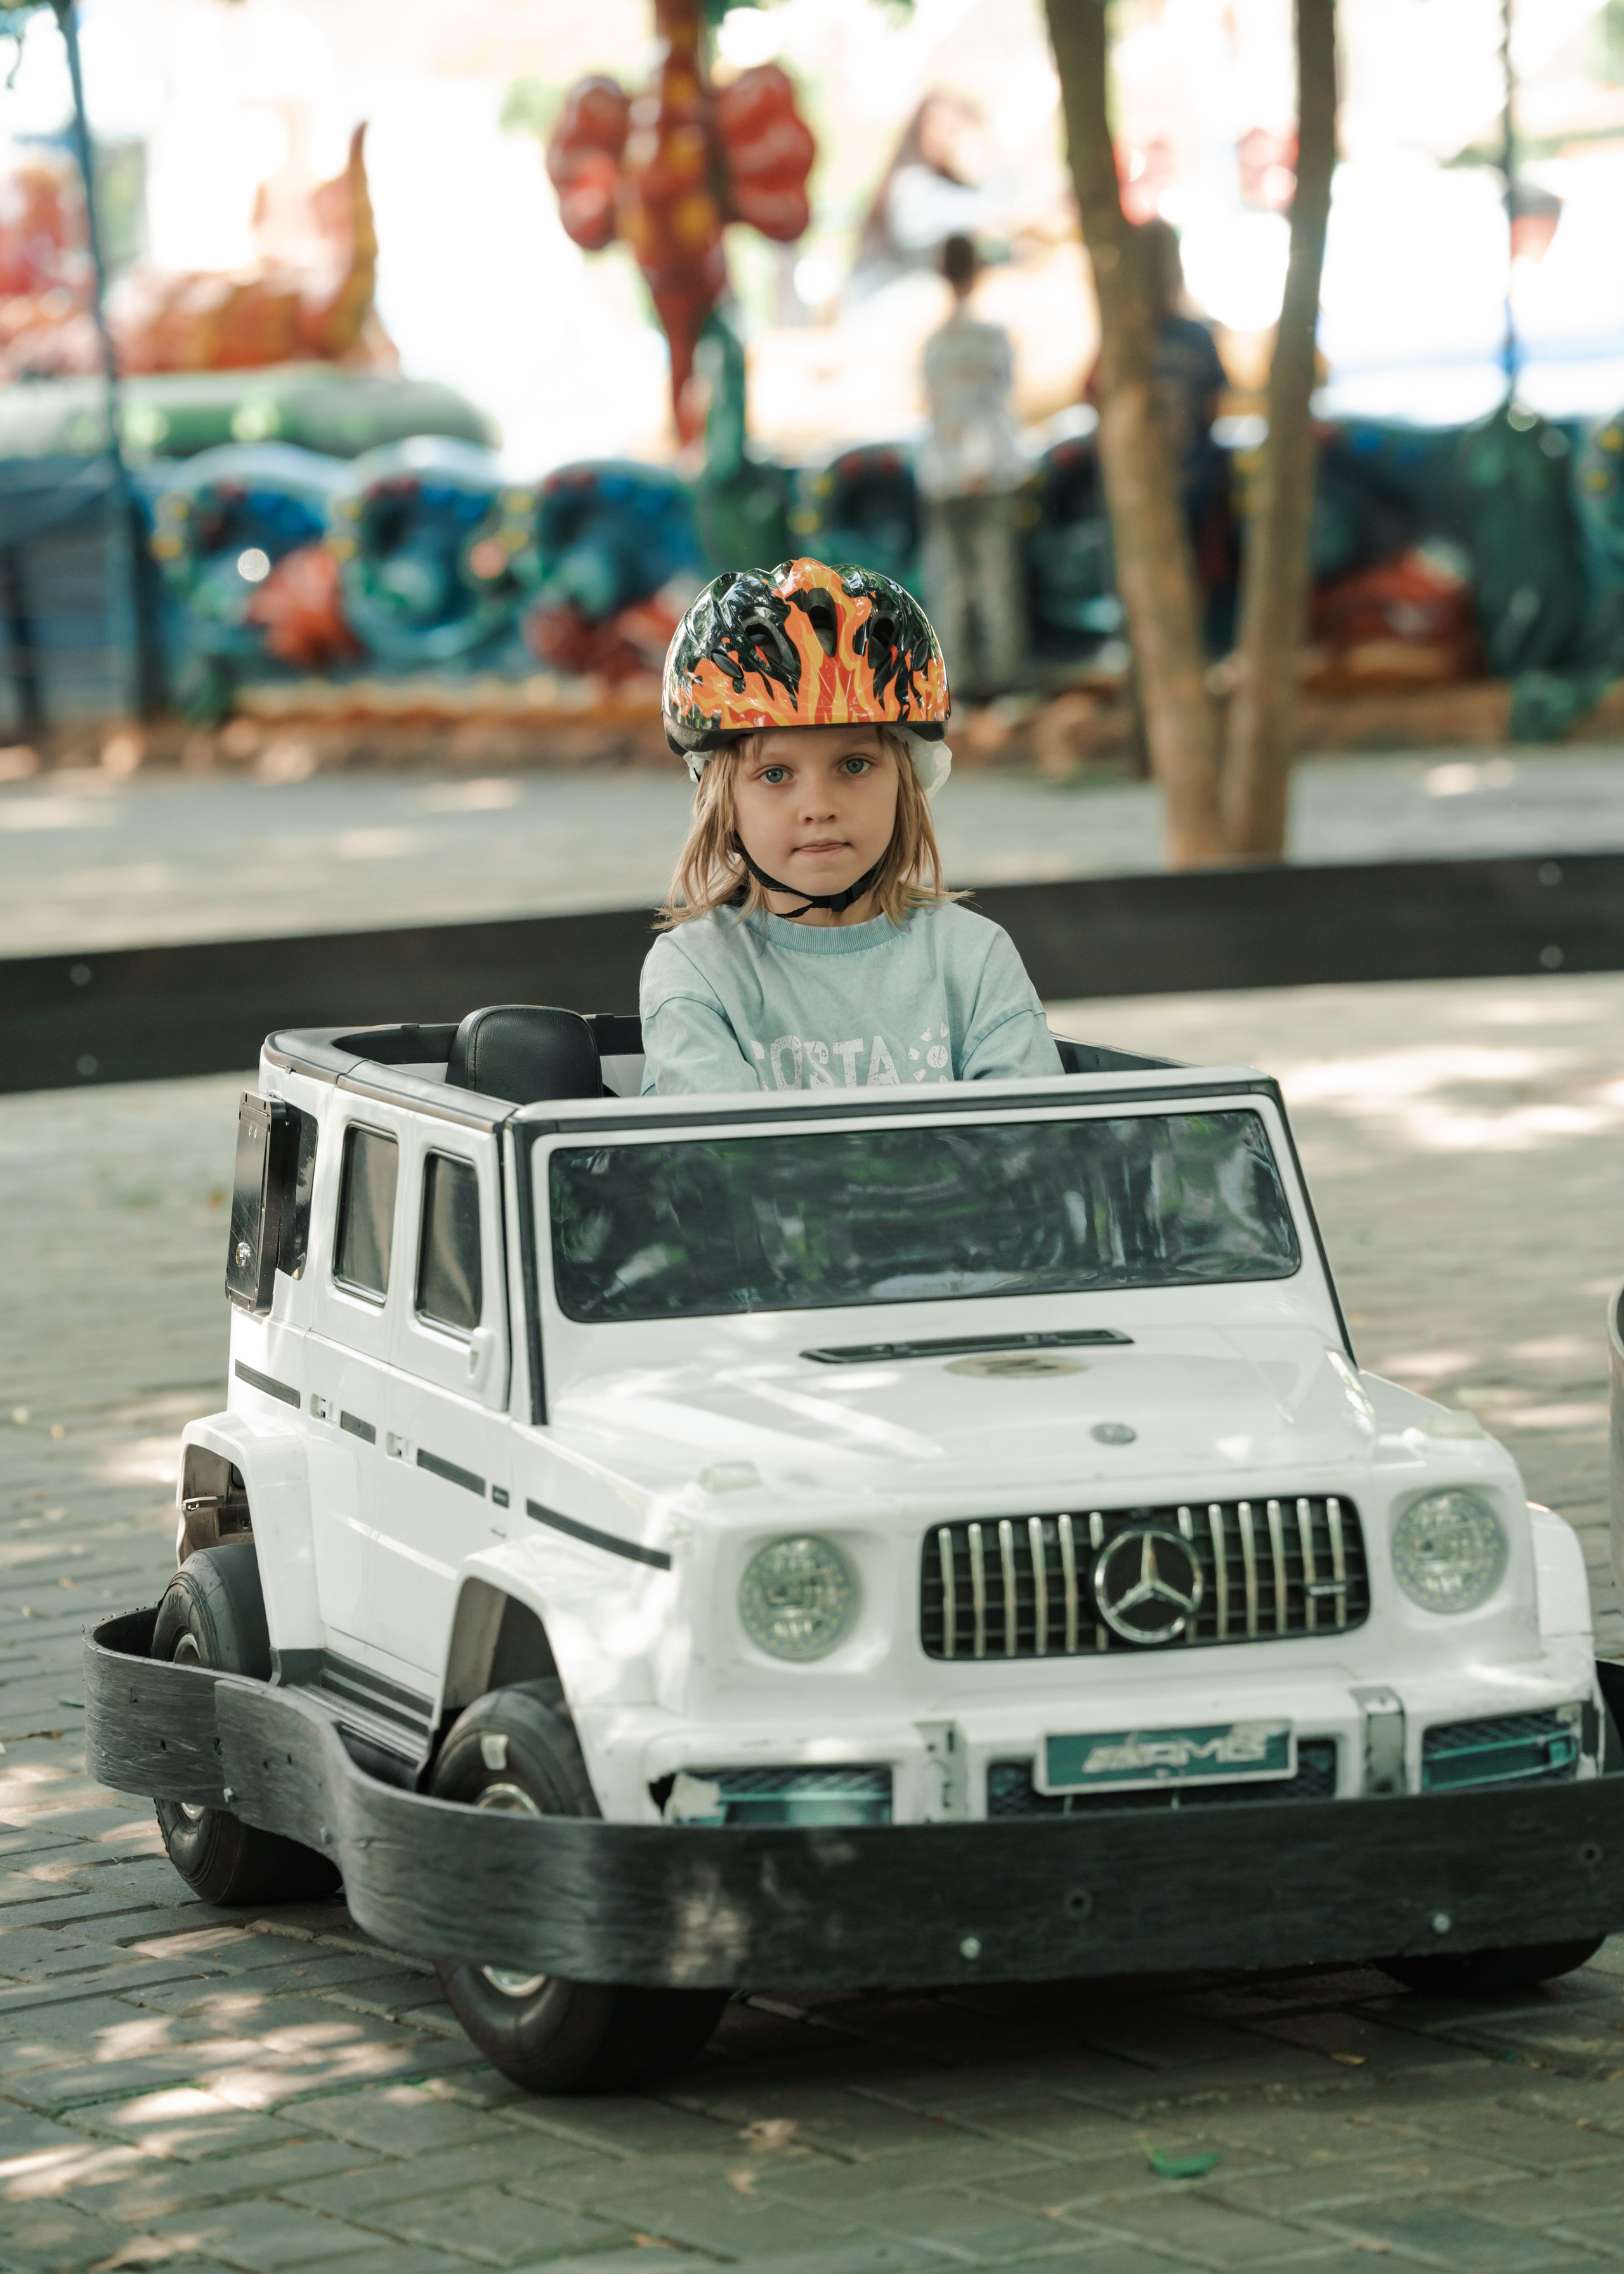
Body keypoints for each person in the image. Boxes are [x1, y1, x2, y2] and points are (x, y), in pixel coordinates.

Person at [641, 556, 1062, 1096]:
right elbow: (729, 1167)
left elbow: (1027, 1144)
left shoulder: (973, 958)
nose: (819, 806)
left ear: (906, 782)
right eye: (775, 774)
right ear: (723, 803)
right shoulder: (697, 971)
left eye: (855, 765)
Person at [918, 233, 1027, 699]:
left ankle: (956, 680)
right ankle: (1003, 680)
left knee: (952, 580)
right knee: (996, 576)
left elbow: (934, 408)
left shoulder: (935, 346)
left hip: (943, 475)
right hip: (994, 471)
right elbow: (1003, 401)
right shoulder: (993, 339)